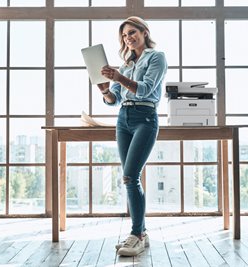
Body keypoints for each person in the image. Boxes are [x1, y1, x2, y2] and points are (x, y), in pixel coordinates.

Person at [97, 16, 167, 257]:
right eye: (125, 35)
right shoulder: (126, 64)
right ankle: (141, 233)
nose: (128, 38)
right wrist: (105, 90)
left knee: (130, 176)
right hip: (123, 119)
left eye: (132, 32)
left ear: (144, 32)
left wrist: (118, 78)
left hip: (145, 118)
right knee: (129, 178)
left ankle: (137, 234)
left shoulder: (156, 57)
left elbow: (146, 88)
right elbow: (113, 100)